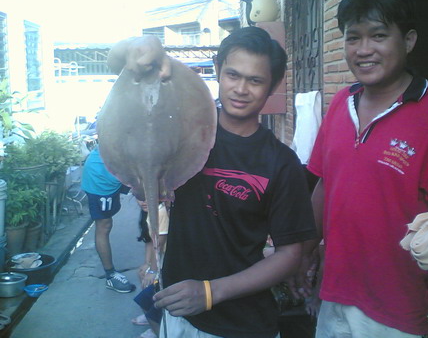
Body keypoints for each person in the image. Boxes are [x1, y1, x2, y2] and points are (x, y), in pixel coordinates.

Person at [295, 0, 428, 338]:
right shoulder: (339, 105)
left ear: (408, 41)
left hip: (402, 315)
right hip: (334, 299)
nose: (364, 50)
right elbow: (324, 184)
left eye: (378, 35)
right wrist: (304, 254)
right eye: (353, 37)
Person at [107, 27, 317, 338]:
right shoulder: (183, 130)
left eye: (255, 80)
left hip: (242, 324)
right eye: (233, 75)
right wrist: (140, 46)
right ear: (218, 70)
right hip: (177, 312)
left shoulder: (281, 162)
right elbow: (126, 68)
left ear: (273, 86)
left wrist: (208, 292)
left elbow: (290, 254)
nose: (241, 89)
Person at [81, 145, 135, 293]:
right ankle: (110, 276)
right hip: (101, 175)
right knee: (104, 224)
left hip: (119, 170)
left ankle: (155, 265)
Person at [133, 200, 169, 338]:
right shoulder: (148, 213)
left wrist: (153, 271)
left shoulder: (161, 212)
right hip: (159, 259)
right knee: (142, 274)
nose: (142, 202)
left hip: (166, 260)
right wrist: (146, 264)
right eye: (139, 197)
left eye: (146, 197)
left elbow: (158, 245)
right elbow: (149, 240)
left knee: (150, 291)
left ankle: (156, 325)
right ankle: (150, 316)